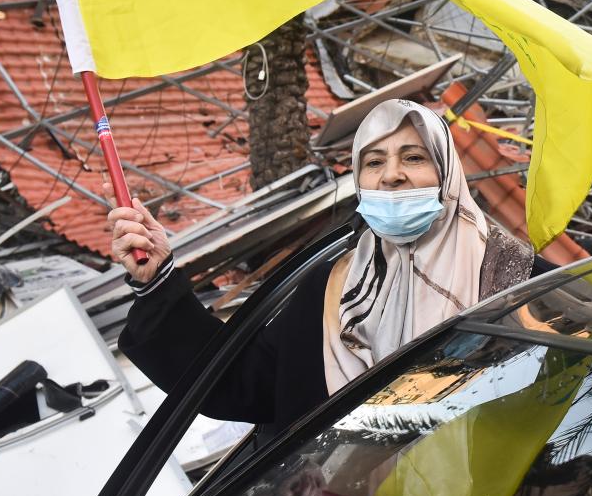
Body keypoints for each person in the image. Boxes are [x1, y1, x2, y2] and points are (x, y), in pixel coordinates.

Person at [109, 99, 552, 443]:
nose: (391, 176)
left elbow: (575, 416)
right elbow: (244, 383)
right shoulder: (331, 289)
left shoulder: (519, 282)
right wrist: (158, 280)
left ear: (447, 171)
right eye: (373, 162)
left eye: (413, 158)